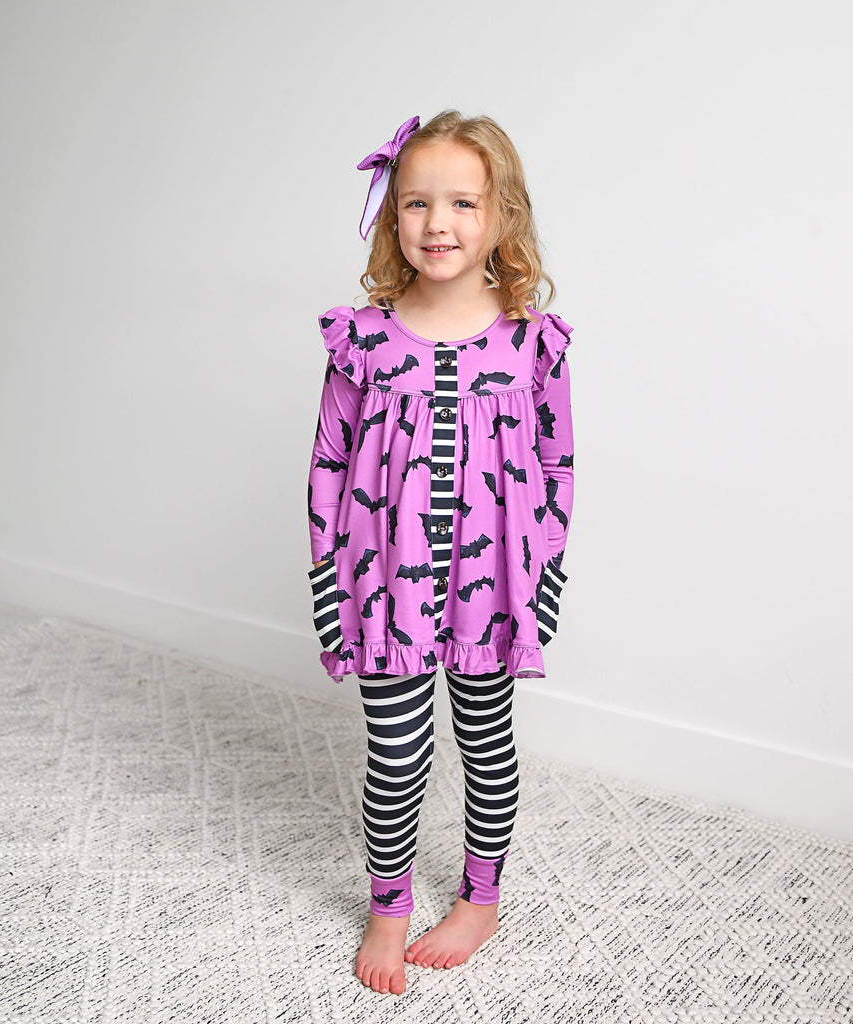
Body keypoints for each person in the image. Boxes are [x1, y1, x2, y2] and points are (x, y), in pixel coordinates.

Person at [306, 110, 574, 995]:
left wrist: (545, 572)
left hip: (494, 588)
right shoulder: (363, 340)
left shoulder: (532, 341)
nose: (438, 222)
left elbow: (556, 463)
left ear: (502, 215)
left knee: (486, 741)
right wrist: (327, 577)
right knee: (396, 752)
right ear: (392, 215)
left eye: (463, 202)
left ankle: (480, 899)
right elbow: (329, 463)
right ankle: (386, 906)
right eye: (417, 202)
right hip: (384, 584)